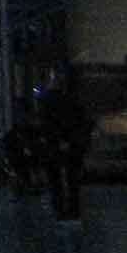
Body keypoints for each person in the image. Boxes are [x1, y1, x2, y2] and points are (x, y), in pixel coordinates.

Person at [40, 73, 94, 224]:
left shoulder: (46, 104)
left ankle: (60, 212)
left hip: (54, 146)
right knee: (73, 181)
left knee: (56, 180)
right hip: (72, 145)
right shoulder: (74, 103)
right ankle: (74, 212)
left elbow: (47, 125)